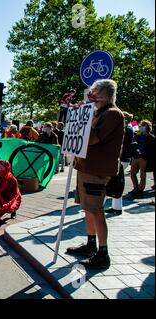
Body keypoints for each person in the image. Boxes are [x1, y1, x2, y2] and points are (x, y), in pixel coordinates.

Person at [66, 79, 125, 269]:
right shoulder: (99, 112)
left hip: (96, 171)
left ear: (104, 94)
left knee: (96, 210)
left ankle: (103, 253)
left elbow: (93, 139)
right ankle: (91, 244)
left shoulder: (113, 114)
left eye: (95, 91)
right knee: (88, 209)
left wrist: (84, 117)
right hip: (86, 167)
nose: (91, 94)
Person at [105, 112, 134, 215]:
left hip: (122, 159)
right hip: (121, 159)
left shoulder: (127, 130)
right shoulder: (126, 129)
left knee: (115, 183)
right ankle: (116, 207)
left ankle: (115, 207)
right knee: (115, 183)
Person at [128, 120, 155, 197]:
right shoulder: (137, 135)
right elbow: (133, 143)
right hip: (135, 157)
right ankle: (135, 188)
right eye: (141, 125)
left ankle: (140, 190)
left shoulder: (151, 137)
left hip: (143, 158)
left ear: (147, 127)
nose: (141, 127)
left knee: (142, 175)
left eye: (143, 125)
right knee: (132, 173)